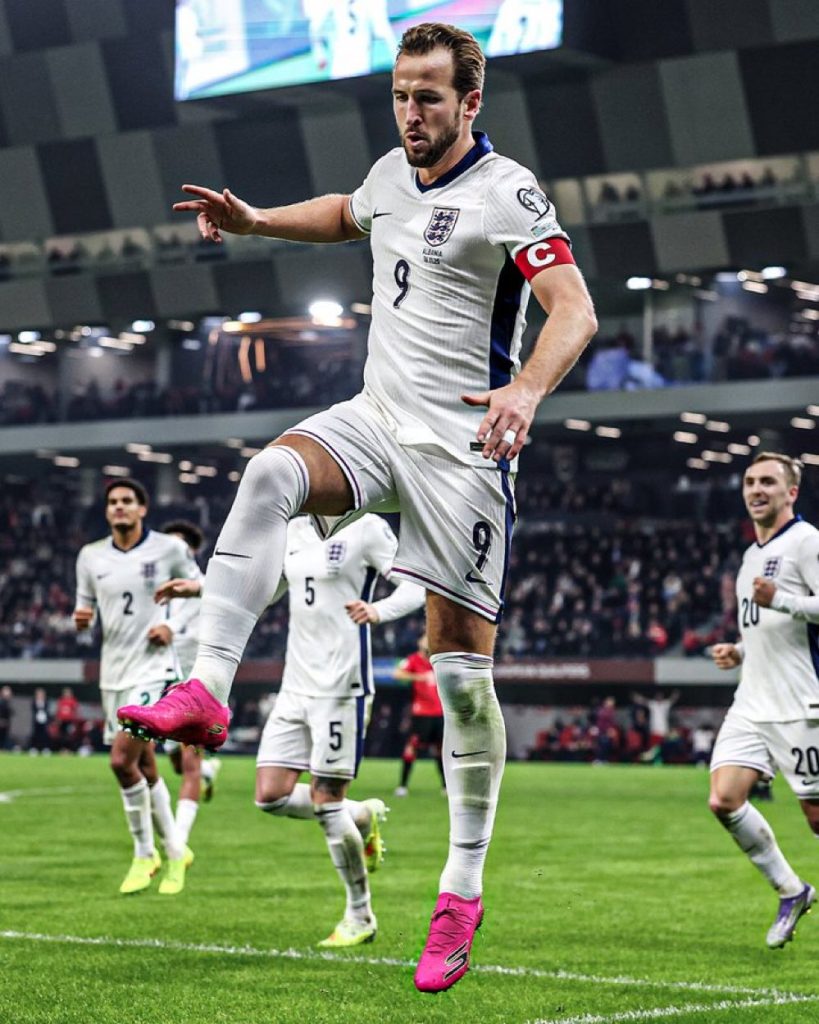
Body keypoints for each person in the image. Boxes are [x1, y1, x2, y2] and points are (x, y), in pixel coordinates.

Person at [120, 21, 596, 992]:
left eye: (429, 96)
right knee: (268, 476)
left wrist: (527, 391)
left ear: (471, 103)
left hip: (462, 453)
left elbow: (574, 308)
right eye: (400, 95)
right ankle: (210, 684)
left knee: (462, 681)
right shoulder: (391, 172)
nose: (411, 113)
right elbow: (349, 211)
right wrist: (256, 222)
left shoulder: (508, 193)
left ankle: (461, 886)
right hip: (377, 418)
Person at [156, 513, 425, 947]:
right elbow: (263, 587)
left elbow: (416, 585)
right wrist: (199, 588)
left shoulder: (369, 528)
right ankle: (363, 815)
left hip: (342, 688)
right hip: (295, 686)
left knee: (325, 802)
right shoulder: (295, 530)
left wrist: (379, 610)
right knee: (270, 796)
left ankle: (361, 915)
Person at [710, 452, 819, 948]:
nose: (757, 489)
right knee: (724, 799)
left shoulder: (806, 541)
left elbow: (793, 608)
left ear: (791, 492)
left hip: (801, 703)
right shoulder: (750, 557)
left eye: (769, 482)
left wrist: (785, 600)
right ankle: (791, 891)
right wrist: (739, 648)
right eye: (751, 481)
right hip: (752, 700)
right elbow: (763, 627)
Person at [74, 479, 201, 895]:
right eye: (112, 502)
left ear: (142, 509)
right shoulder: (90, 557)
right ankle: (178, 850)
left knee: (119, 761)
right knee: (145, 766)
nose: (119, 508)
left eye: (127, 501)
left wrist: (173, 624)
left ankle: (146, 853)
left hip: (154, 670)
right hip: (114, 673)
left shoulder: (168, 549)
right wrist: (82, 620)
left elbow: (203, 589)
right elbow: (86, 609)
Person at [157, 520, 222, 847]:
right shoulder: (155, 586)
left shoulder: (205, 585)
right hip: (164, 679)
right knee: (174, 760)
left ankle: (178, 844)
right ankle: (209, 772)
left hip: (195, 679)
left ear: (192, 552)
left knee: (189, 761)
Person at [393, 632, 445, 796]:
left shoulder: (438, 661)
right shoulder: (413, 660)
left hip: (439, 712)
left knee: (441, 749)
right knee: (412, 747)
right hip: (421, 712)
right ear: (419, 642)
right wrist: (419, 677)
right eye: (425, 639)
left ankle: (446, 787)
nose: (428, 642)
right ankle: (402, 785)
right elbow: (397, 674)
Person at [29, 687, 51, 753]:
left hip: (44, 721)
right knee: (36, 735)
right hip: (36, 721)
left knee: (44, 735)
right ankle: (34, 748)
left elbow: (47, 711)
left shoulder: (46, 702)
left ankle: (45, 748)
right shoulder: (34, 701)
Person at [0, 685, 13, 750]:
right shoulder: (1, 702)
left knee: (4, 739)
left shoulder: (7, 703)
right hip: (2, 725)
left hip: (5, 725)